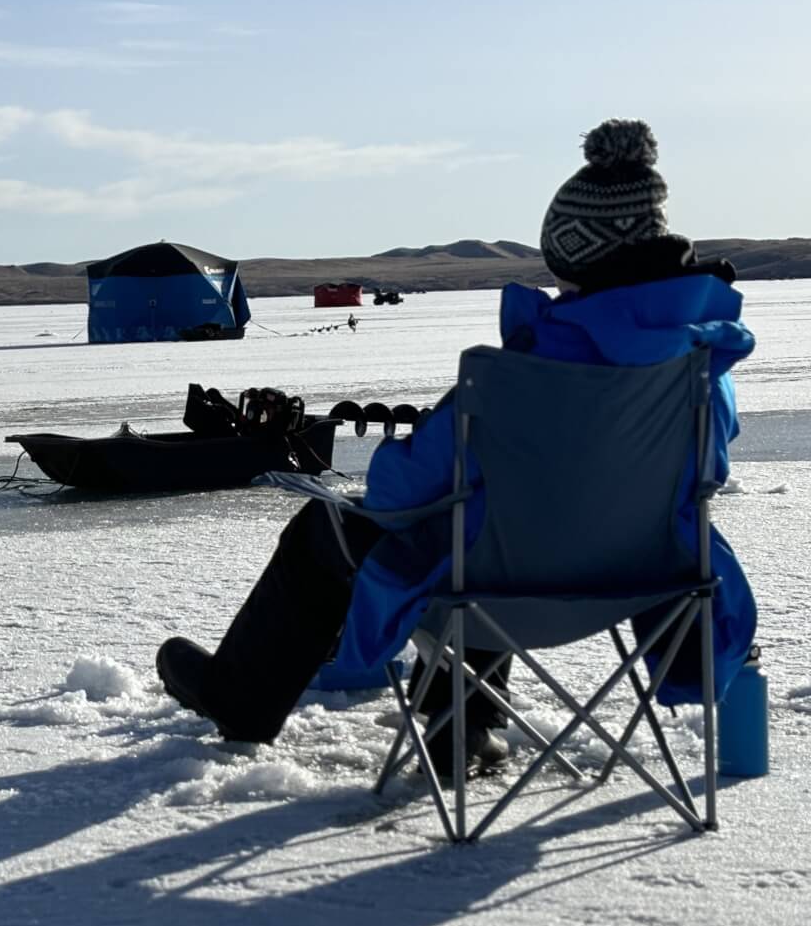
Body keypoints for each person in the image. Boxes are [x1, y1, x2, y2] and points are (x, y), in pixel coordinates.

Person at [156, 118, 757, 779]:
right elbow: (708, 470)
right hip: (650, 584)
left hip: (503, 591)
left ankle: (241, 699)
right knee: (485, 520)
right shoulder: (703, 368)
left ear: (577, 261)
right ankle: (464, 729)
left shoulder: (521, 375)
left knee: (345, 529)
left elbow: (399, 492)